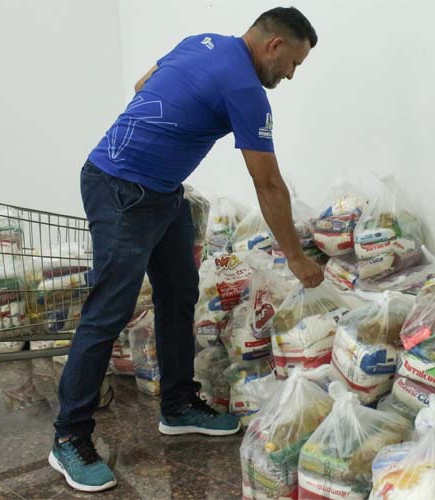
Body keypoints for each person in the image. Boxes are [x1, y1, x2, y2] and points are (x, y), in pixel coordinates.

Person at [48, 7, 322, 492]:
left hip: (161, 191)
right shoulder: (245, 91)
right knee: (107, 312)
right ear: (274, 45)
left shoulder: (200, 41)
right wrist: (297, 258)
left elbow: (142, 86)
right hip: (119, 188)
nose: (291, 74)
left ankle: (177, 405)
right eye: (293, 63)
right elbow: (269, 184)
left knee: (178, 293)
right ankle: (69, 438)